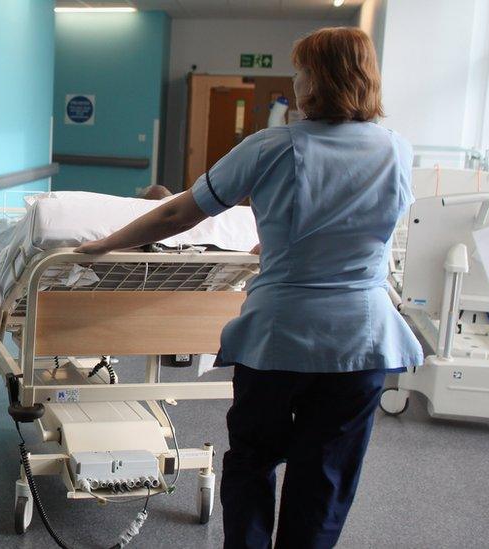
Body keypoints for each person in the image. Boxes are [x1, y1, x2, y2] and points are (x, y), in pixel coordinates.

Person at [76, 28, 422, 548]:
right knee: (326, 476)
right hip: (361, 340)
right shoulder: (396, 151)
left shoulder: (271, 147)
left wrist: (106, 243)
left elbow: (177, 211)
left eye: (302, 70)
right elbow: (360, 227)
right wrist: (283, 246)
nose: (296, 80)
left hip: (283, 339)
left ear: (321, 79)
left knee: (254, 462)